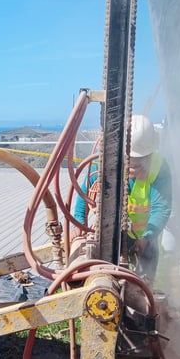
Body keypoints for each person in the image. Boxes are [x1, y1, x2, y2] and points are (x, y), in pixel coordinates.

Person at [73, 115, 172, 283]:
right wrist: (79, 222)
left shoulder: (158, 167)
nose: (134, 164)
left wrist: (146, 238)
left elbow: (161, 208)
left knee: (144, 282)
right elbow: (85, 191)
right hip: (109, 233)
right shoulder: (105, 161)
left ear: (151, 152)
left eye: (140, 160)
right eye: (130, 159)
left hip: (146, 233)